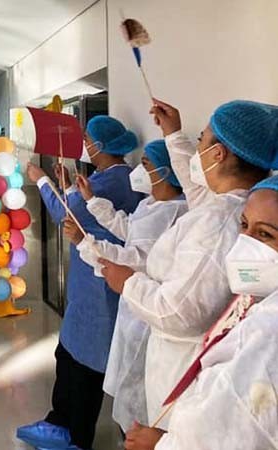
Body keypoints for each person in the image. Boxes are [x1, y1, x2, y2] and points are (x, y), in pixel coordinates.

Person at [99, 100, 277, 429]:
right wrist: (173, 135)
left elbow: (179, 312)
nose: (196, 153)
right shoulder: (234, 205)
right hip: (185, 365)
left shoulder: (216, 224)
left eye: (200, 141)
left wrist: (127, 282)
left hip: (184, 373)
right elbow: (199, 192)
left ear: (218, 153)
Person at [122, 175, 278, 450]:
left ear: (219, 154)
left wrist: (162, 445)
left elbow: (229, 434)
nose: (245, 242)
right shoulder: (255, 301)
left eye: (265, 234)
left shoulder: (267, 332)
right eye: (244, 225)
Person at [19, 115, 145, 450]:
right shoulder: (105, 177)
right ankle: (58, 423)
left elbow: (66, 214)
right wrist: (67, 185)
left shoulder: (116, 181)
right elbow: (80, 206)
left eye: (88, 140)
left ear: (101, 145)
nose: (85, 145)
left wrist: (42, 180)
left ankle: (76, 436)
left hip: (99, 286)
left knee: (86, 365)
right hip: (86, 284)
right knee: (68, 354)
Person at [62, 139, 188, 432]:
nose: (138, 171)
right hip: (132, 306)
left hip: (147, 312)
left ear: (164, 171)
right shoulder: (150, 203)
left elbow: (132, 259)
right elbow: (127, 228)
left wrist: (85, 243)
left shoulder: (173, 213)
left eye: (145, 164)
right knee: (128, 383)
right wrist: (91, 200)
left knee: (139, 390)